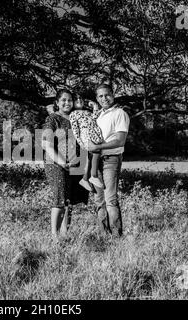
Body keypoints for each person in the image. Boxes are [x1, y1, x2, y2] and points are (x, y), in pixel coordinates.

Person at [42, 89, 89, 238]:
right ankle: (54, 236)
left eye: (70, 100)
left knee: (69, 200)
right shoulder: (52, 119)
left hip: (74, 162)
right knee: (60, 198)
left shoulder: (77, 118)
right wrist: (62, 162)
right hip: (56, 163)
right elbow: (46, 144)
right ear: (57, 102)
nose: (67, 103)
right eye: (64, 100)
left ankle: (65, 234)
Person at [86, 84, 130, 237]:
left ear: (113, 95)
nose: (104, 98)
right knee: (99, 200)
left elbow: (120, 140)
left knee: (110, 199)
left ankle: (117, 237)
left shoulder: (119, 113)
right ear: (97, 99)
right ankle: (104, 235)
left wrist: (98, 146)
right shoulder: (98, 115)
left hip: (111, 160)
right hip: (95, 160)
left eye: (107, 95)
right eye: (100, 96)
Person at [69, 94, 104, 192]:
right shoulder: (74, 114)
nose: (79, 100)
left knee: (91, 157)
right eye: (76, 99)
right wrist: (80, 142)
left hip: (94, 135)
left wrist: (95, 106)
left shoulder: (88, 112)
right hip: (85, 136)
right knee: (96, 151)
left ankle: (85, 179)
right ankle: (93, 175)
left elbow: (95, 116)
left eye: (81, 98)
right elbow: (75, 130)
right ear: (73, 102)